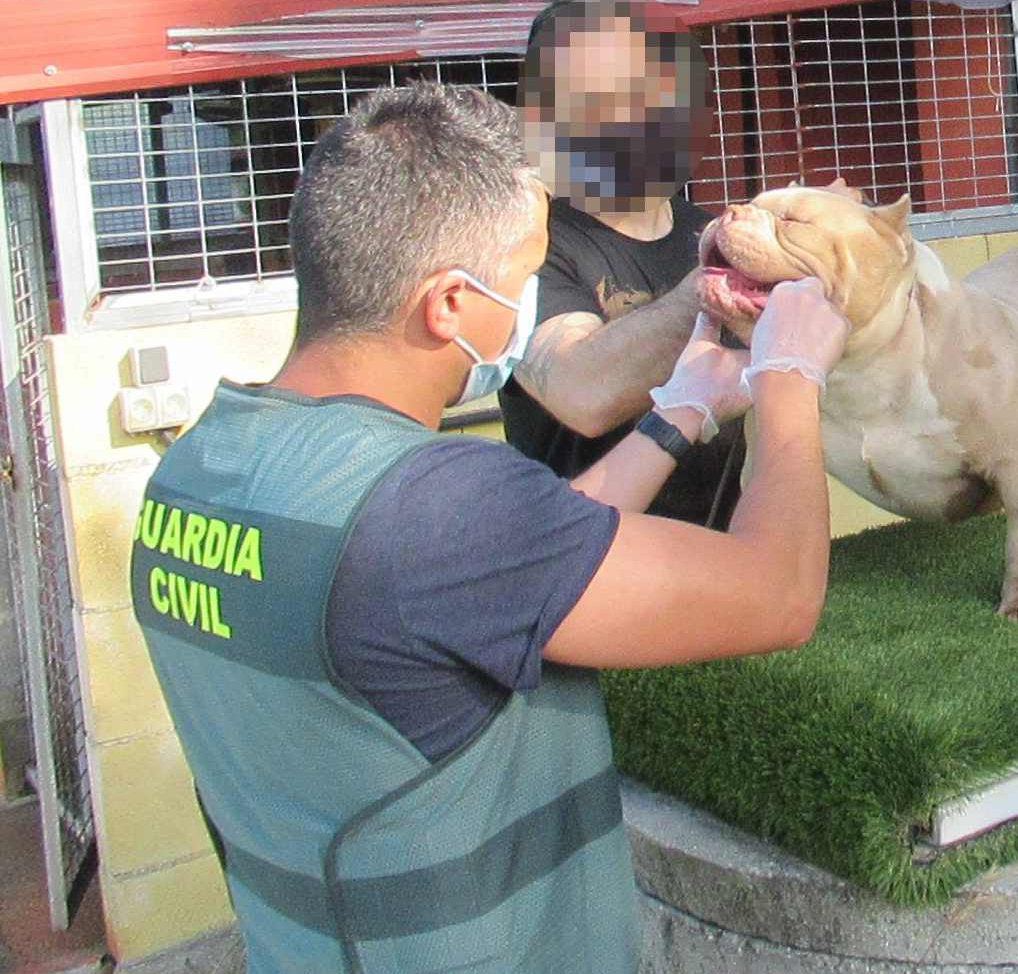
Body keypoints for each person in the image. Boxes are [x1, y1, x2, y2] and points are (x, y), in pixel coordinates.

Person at [130, 81, 848, 974]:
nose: (529, 314)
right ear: (449, 306)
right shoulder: (431, 510)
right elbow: (778, 593)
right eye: (522, 282)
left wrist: (679, 412)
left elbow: (518, 564)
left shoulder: (198, 471)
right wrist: (788, 377)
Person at [501, 0, 744, 528]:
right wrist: (717, 288)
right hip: (579, 571)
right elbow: (581, 392)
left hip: (715, 560)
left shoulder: (709, 233)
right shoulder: (527, 244)